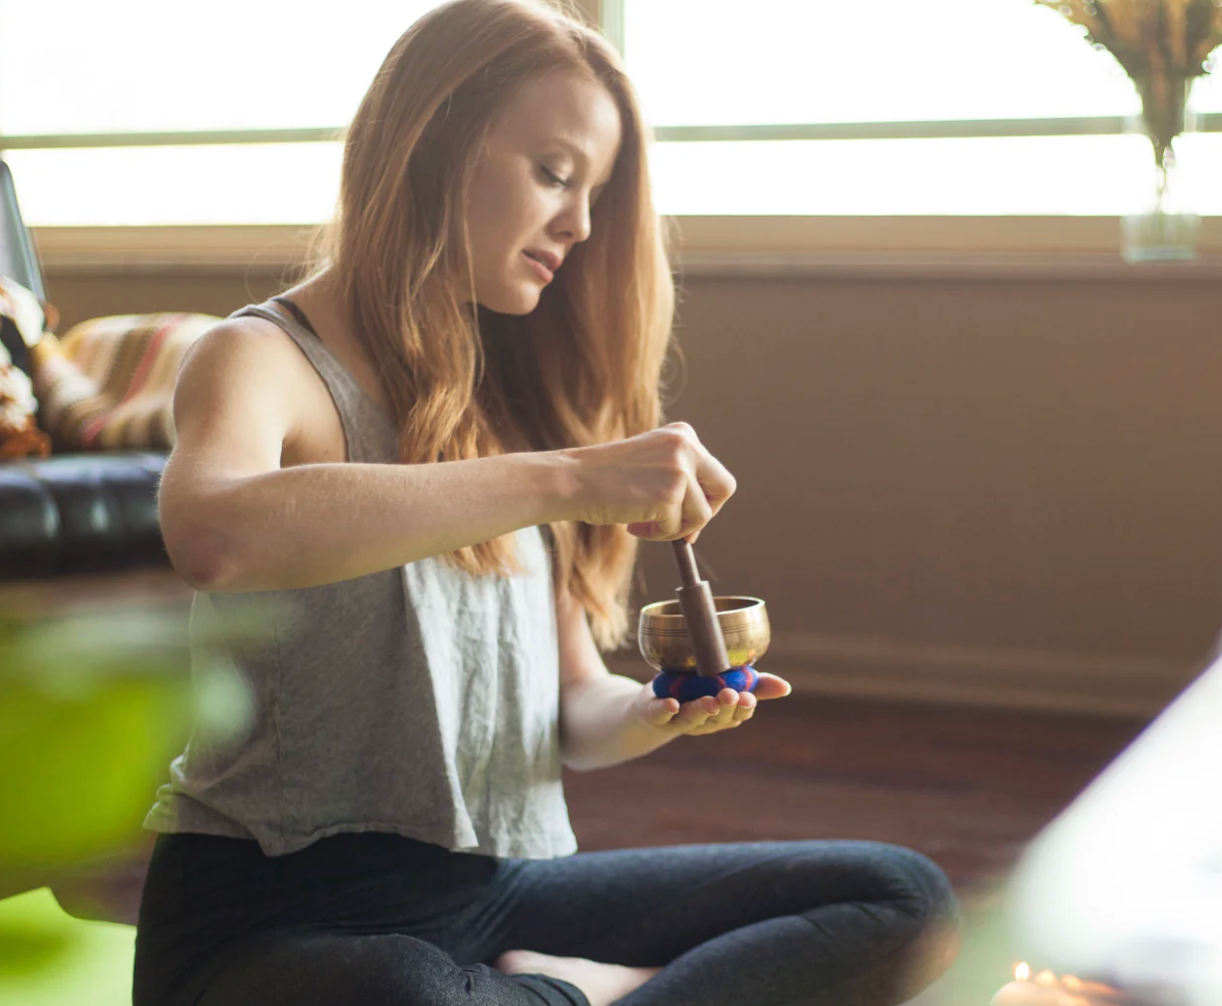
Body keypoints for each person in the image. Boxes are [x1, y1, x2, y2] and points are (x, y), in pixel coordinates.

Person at [132, 2, 960, 1004]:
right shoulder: (260, 358)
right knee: (408, 990)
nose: (578, 223)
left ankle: (548, 989)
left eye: (596, 192)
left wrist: (660, 707)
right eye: (554, 173)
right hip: (269, 910)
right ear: (429, 142)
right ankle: (560, 989)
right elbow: (214, 533)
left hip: (491, 890)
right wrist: (566, 476)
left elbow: (573, 711)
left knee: (897, 897)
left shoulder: (519, 406)